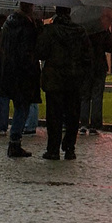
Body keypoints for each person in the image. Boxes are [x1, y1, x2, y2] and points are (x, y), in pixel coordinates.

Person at [37, 9, 94, 161]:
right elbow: (87, 56)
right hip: (74, 78)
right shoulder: (80, 31)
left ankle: (53, 149)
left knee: (54, 116)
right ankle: (70, 148)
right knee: (72, 115)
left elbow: (41, 52)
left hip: (54, 80)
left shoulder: (50, 31)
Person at [0, 10, 43, 158]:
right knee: (22, 108)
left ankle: (15, 141)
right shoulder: (27, 28)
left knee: (20, 107)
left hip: (10, 71)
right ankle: (15, 141)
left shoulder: (9, 25)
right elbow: (30, 51)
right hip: (24, 74)